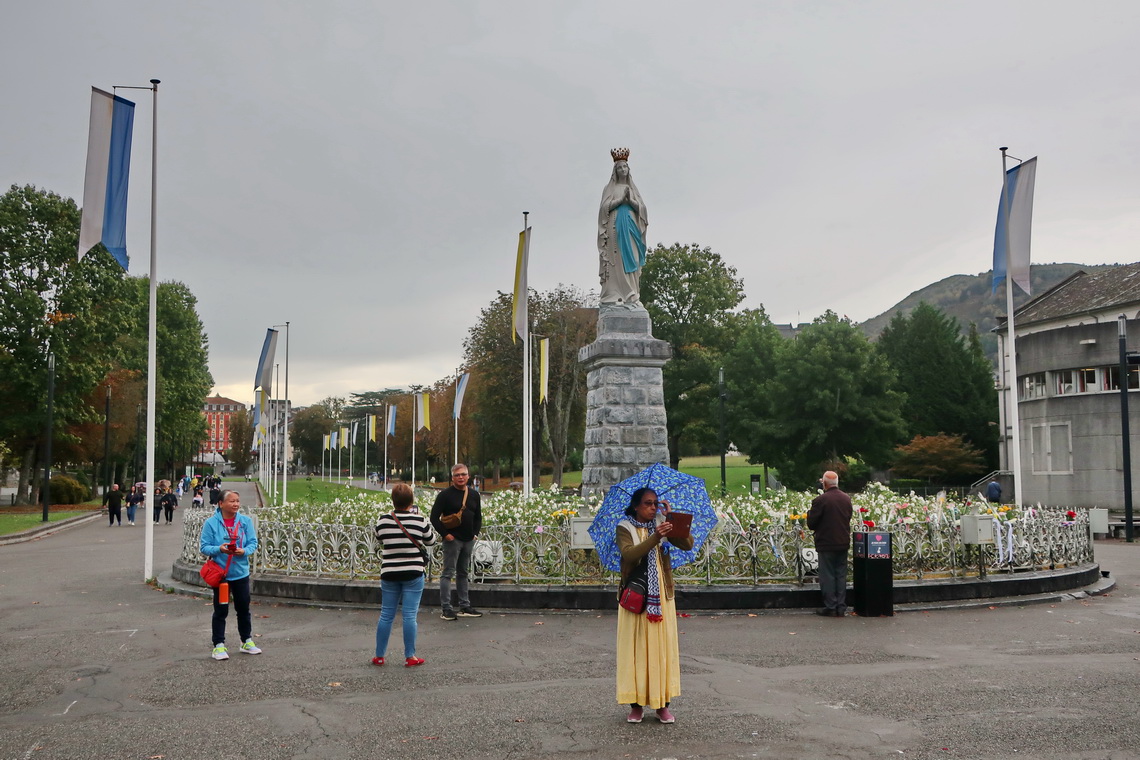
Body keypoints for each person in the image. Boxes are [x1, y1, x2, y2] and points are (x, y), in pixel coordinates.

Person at [616, 487, 694, 724]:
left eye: (655, 503)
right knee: (636, 651)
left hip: (661, 596)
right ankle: (636, 705)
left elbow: (687, 544)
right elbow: (629, 555)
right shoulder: (624, 527)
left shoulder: (662, 522)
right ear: (636, 506)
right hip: (636, 599)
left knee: (662, 650)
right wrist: (655, 537)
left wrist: (673, 519)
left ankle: (663, 705)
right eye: (648, 504)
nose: (653, 508)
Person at [372, 482, 436, 667]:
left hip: (390, 572)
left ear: (393, 500)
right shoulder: (419, 520)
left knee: (386, 615)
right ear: (412, 500)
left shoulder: (383, 520)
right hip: (413, 573)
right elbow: (431, 541)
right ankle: (410, 656)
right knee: (409, 616)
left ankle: (379, 655)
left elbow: (378, 537)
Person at [199, 489, 261, 660]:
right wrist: (220, 549)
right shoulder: (211, 523)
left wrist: (244, 551)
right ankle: (218, 645)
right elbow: (204, 547)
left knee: (243, 608)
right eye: (231, 501)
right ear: (221, 503)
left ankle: (246, 641)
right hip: (222, 575)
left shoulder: (245, 521)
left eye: (237, 501)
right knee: (221, 610)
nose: (235, 504)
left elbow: (252, 542)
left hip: (240, 573)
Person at [429, 463, 483, 621]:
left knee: (463, 573)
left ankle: (464, 606)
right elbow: (434, 518)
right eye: (457, 475)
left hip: (468, 540)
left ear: (468, 476)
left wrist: (475, 534)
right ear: (452, 478)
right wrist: (446, 534)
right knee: (448, 573)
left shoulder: (474, 495)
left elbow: (478, 516)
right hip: (452, 540)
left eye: (463, 474)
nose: (461, 477)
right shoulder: (445, 495)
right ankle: (446, 608)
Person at [597, 148, 649, 307]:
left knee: (632, 257)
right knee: (617, 258)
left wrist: (630, 201)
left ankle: (633, 293)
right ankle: (619, 294)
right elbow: (603, 209)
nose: (622, 169)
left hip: (631, 226)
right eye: (619, 167)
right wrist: (620, 201)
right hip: (615, 227)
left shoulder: (633, 189)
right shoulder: (609, 188)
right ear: (615, 170)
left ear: (628, 169)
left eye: (624, 167)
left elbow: (643, 210)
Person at [806, 470, 854, 617]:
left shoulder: (820, 500)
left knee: (827, 576)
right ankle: (841, 606)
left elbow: (812, 524)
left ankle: (831, 606)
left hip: (826, 543)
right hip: (842, 542)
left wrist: (809, 513)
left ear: (825, 484)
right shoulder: (846, 499)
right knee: (840, 575)